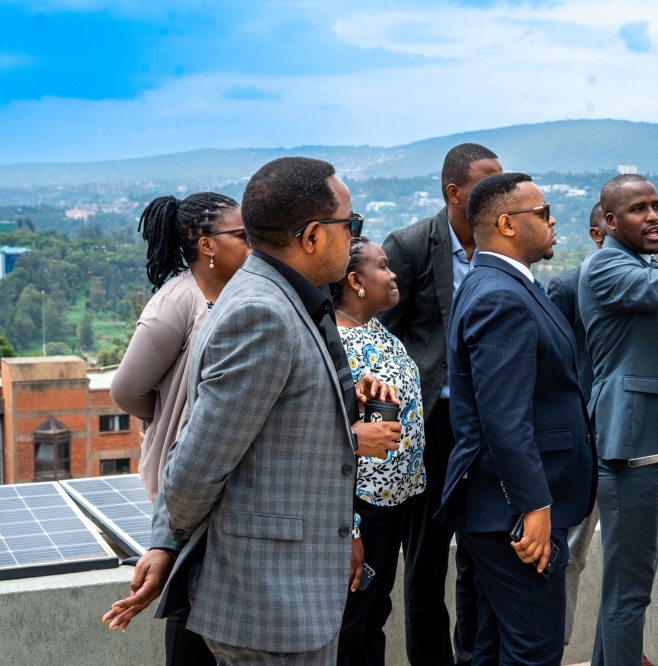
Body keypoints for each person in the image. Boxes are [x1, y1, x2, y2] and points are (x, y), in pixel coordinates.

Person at [101, 157, 394, 664]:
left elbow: (278, 438)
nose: (354, 236)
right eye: (350, 224)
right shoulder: (263, 313)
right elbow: (196, 466)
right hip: (272, 607)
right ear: (310, 237)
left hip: (294, 592)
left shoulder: (286, 298)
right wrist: (168, 542)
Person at [437, 172, 596, 665]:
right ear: (507, 224)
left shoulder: (495, 283)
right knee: (534, 651)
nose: (553, 222)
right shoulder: (500, 295)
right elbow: (504, 419)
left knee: (490, 647)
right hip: (517, 515)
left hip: (502, 509)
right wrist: (534, 507)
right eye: (543, 213)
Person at [109, 192, 248, 665]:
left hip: (226, 476)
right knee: (189, 613)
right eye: (242, 235)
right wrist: (167, 415)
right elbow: (126, 392)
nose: (253, 244)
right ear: (207, 244)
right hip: (186, 479)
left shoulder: (239, 293)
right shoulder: (178, 300)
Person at [380, 143, 502, 666]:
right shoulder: (409, 246)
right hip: (432, 427)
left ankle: (475, 657)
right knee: (426, 562)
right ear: (454, 192)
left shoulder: (502, 243)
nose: (498, 194)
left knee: (482, 553)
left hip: (489, 425)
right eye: (486, 184)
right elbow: (381, 340)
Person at [579, 174, 658, 666]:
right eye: (638, 209)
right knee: (628, 590)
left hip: (646, 444)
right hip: (628, 446)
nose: (653, 216)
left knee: (627, 586)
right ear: (610, 222)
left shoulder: (641, 262)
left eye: (656, 206)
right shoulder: (606, 267)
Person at [333, 237, 426, 666]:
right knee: (350, 622)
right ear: (355, 280)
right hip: (362, 507)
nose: (393, 275)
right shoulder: (336, 345)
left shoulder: (376, 329)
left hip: (395, 504)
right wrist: (351, 528)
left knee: (375, 614)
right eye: (383, 267)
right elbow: (335, 442)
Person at [545, 201, 607, 646]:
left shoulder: (655, 281)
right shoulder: (566, 286)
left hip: (629, 440)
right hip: (580, 442)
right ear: (596, 233)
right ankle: (555, 644)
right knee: (568, 552)